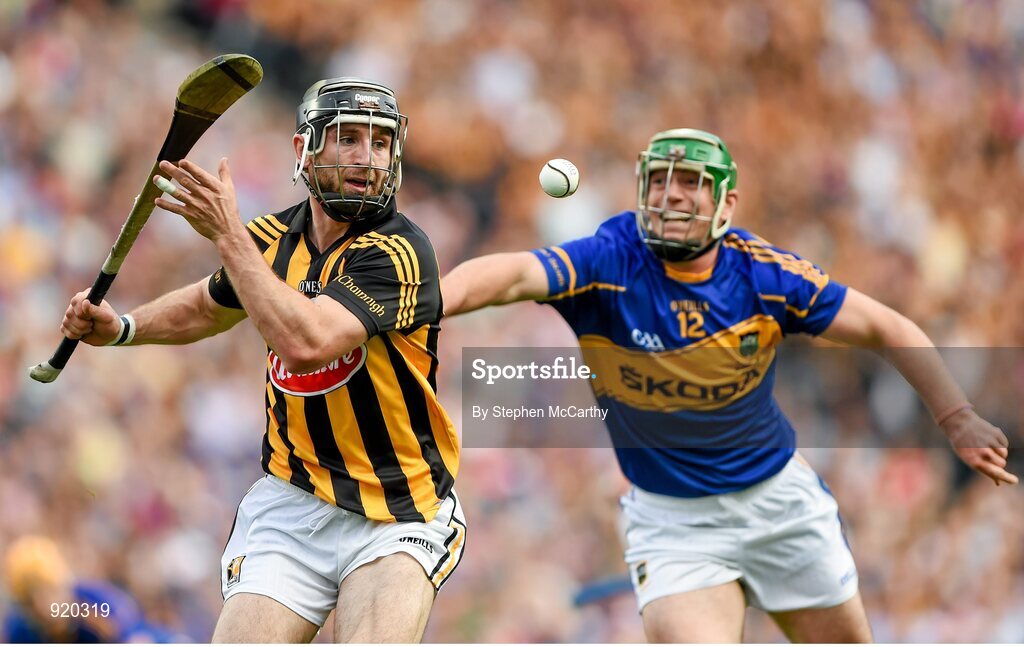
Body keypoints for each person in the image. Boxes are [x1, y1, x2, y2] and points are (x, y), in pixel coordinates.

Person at [441, 128, 1017, 642]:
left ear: (725, 202)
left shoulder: (764, 275)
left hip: (778, 504)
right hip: (674, 523)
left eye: (690, 182)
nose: (671, 194)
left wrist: (956, 416)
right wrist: (432, 297)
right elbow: (513, 274)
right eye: (660, 181)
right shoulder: (609, 261)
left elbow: (886, 327)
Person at [59, 78, 465, 643]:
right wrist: (126, 327)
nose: (366, 158)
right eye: (347, 139)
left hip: (399, 511)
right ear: (304, 150)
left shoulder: (400, 251)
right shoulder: (271, 237)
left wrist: (228, 236)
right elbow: (210, 305)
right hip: (292, 500)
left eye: (379, 143)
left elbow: (307, 344)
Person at [2, 535, 178, 642]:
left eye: (48, 591)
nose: (43, 605)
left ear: (62, 584)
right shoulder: (20, 631)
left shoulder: (94, 603)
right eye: (30, 601)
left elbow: (134, 633)